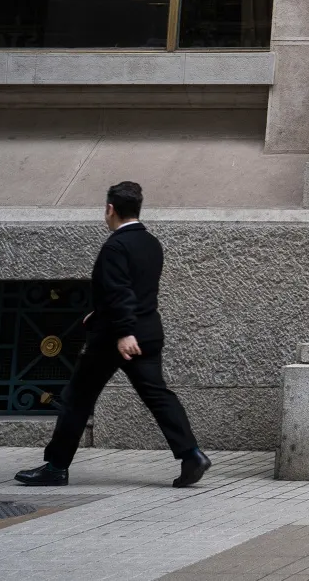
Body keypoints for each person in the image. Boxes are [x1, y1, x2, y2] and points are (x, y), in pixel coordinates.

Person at [15, 182, 210, 488]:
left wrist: (122, 332)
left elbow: (120, 292)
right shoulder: (151, 243)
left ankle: (55, 467)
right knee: (158, 395)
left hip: (115, 339)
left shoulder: (115, 246)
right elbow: (134, 291)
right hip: (147, 332)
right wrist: (104, 315)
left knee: (76, 398)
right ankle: (192, 455)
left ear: (110, 209)